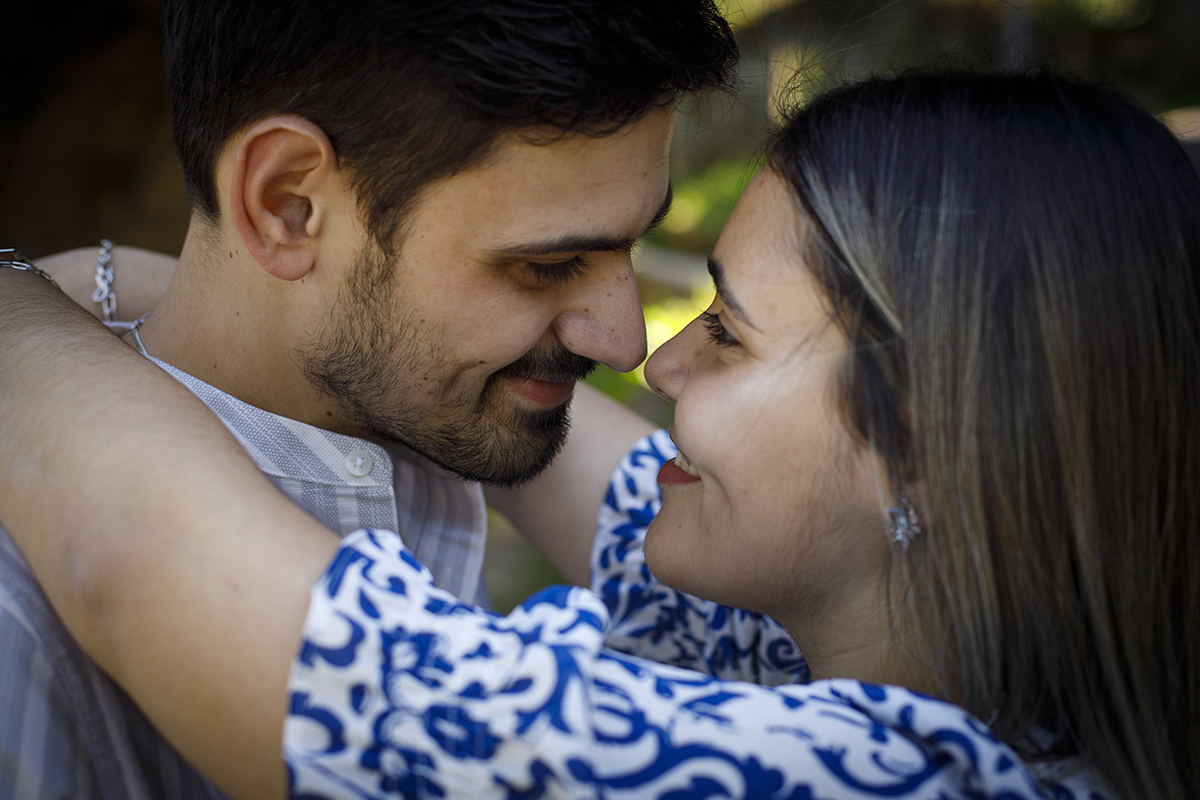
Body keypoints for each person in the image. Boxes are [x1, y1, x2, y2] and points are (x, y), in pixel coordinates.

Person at [3, 70, 1197, 799]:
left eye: (724, 329)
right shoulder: (884, 652)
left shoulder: (892, 778)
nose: (647, 351)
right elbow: (589, 469)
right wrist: (218, 288)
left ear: (934, 448)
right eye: (551, 259)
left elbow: (170, 578)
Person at [0, 2, 739, 797]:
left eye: (627, 246)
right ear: (287, 204)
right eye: (550, 264)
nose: (629, 344)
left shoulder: (418, 414)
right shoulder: (21, 634)